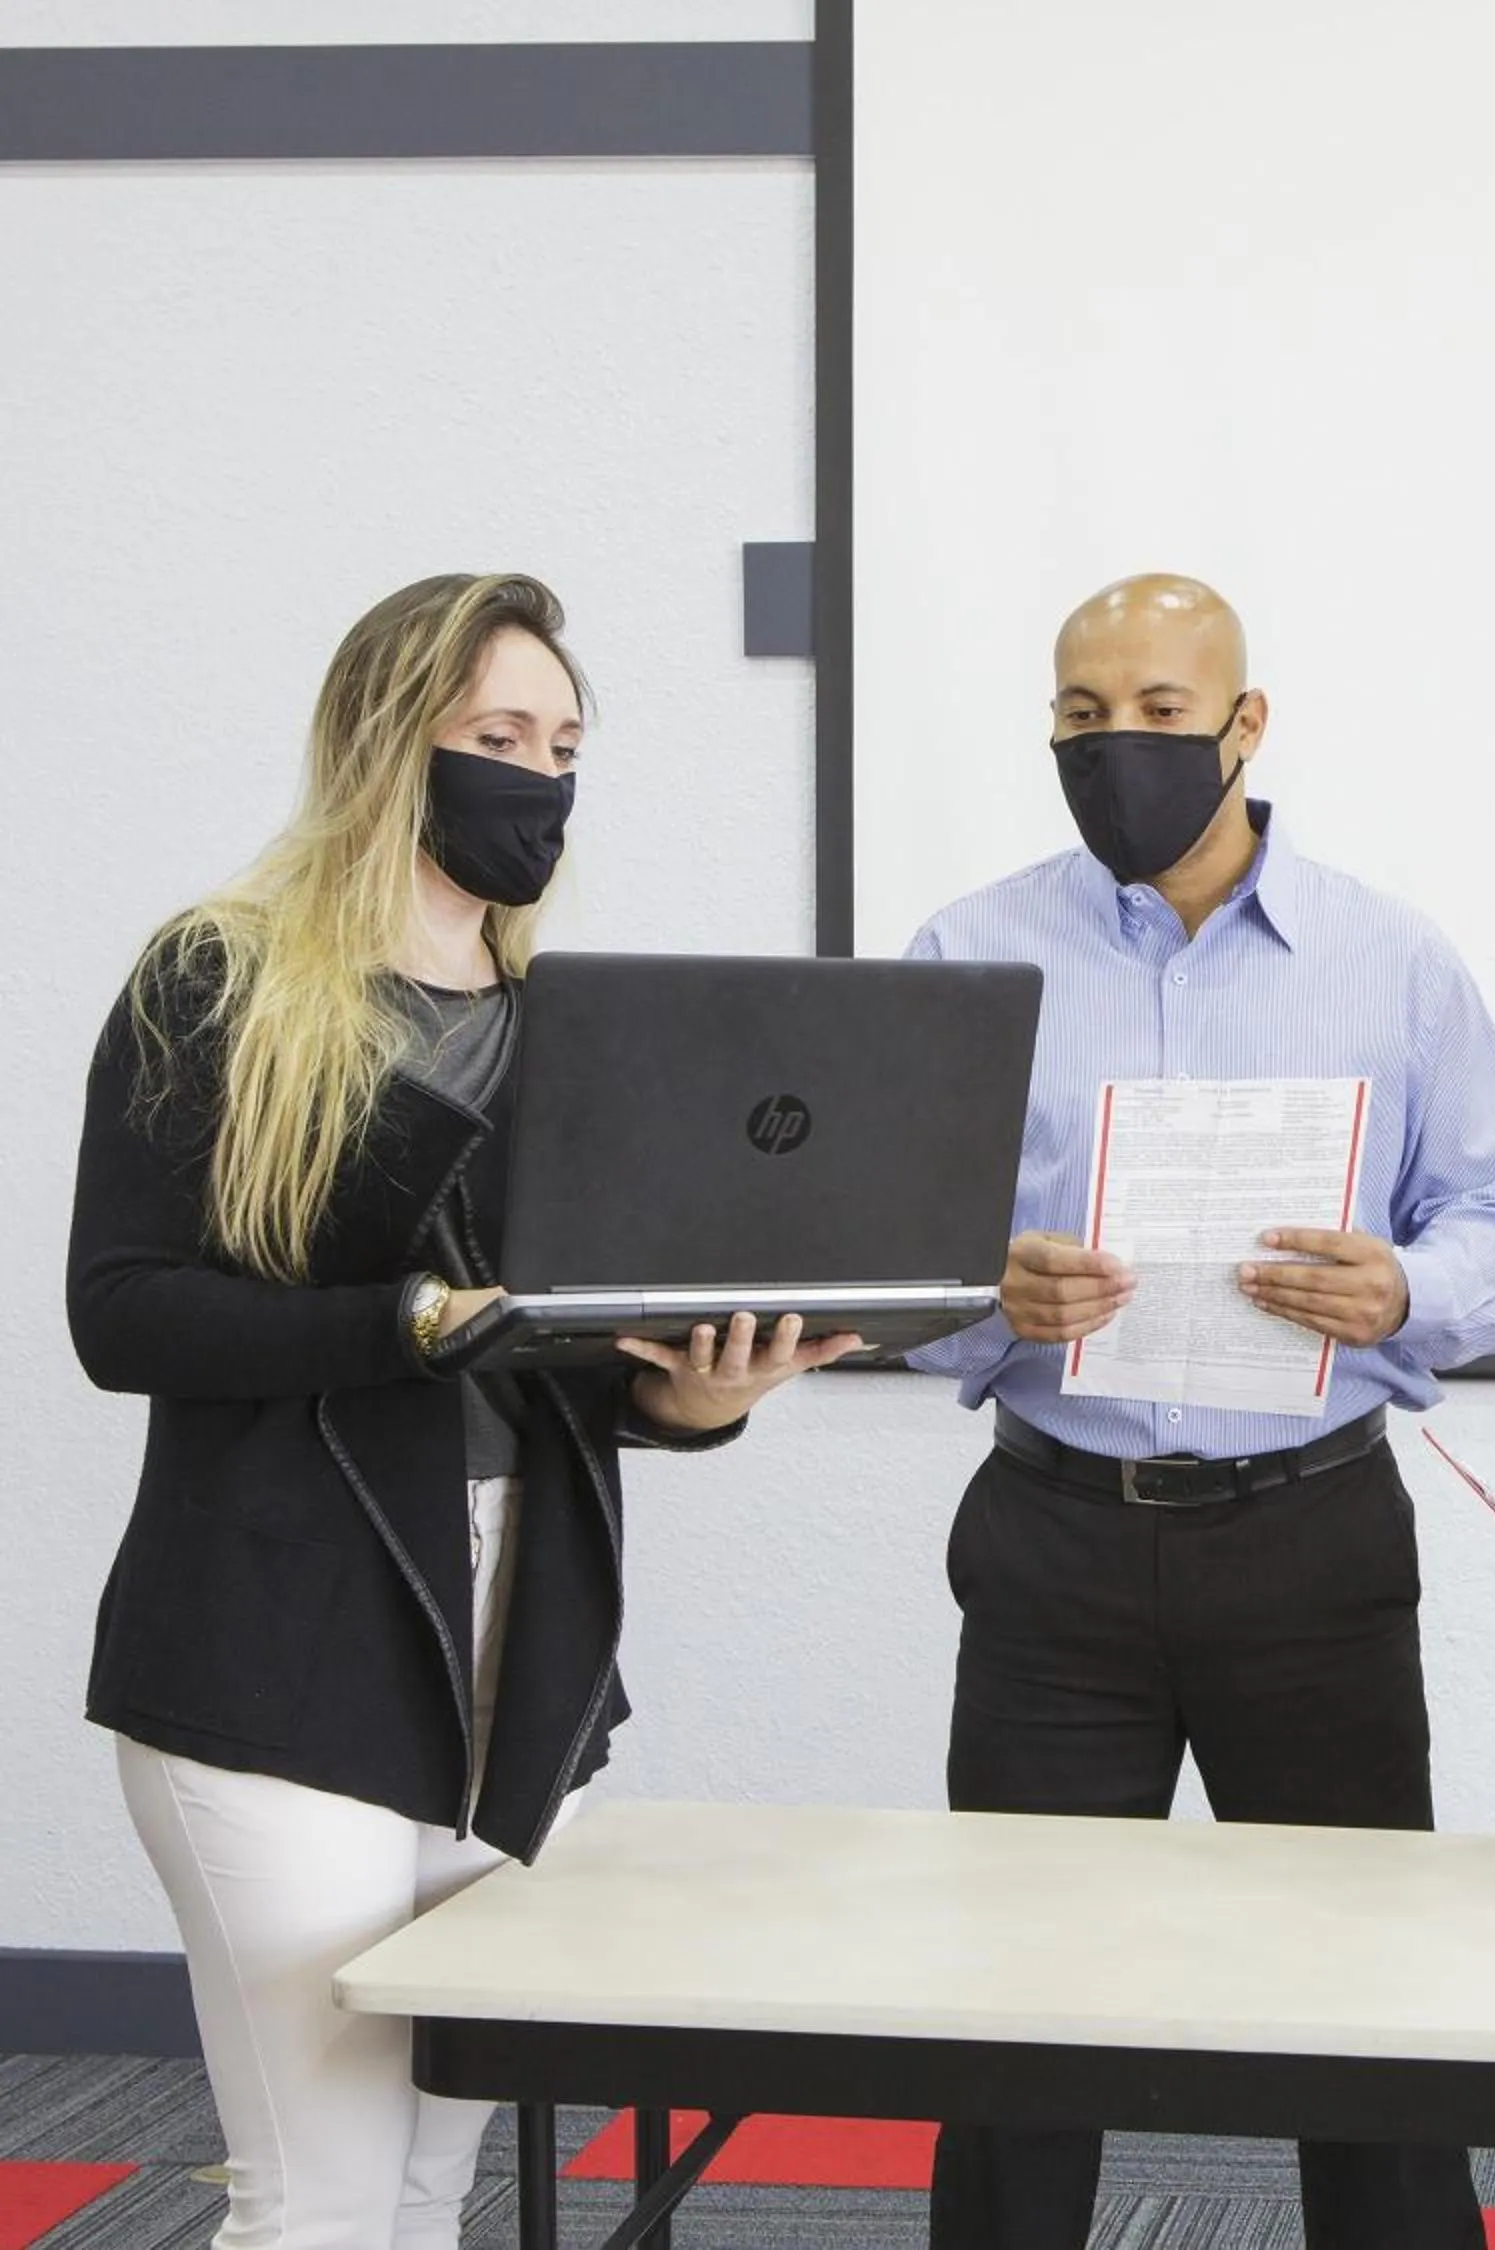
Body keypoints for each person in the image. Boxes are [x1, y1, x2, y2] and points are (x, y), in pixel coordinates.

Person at [65, 572, 859, 2250]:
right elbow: (121, 1311)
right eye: (498, 736)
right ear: (385, 742)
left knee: (434, 2180)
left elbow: (554, 1361)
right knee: (323, 2193)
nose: (539, 780)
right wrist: (403, 1320)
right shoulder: (217, 981)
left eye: (564, 745)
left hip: (520, 1648)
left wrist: (696, 1397)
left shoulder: (563, 1033)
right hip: (276, 1659)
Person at [905, 572, 1495, 2250]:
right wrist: (987, 1288)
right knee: (1022, 2022)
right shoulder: (966, 954)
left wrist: (1406, 1289)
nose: (1116, 745)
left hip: (1312, 1544)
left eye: (1160, 713)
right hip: (1055, 1541)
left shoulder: (1390, 957)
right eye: (1080, 717)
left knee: (1367, 2021)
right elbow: (874, 1259)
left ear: (1247, 726)